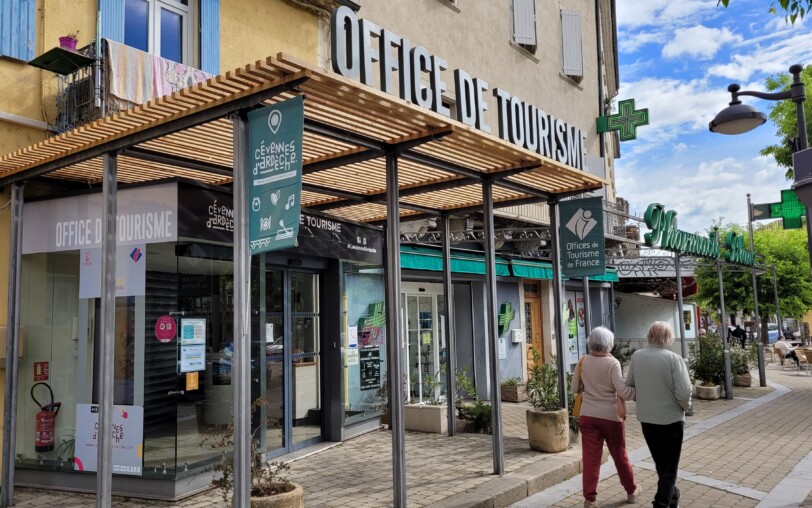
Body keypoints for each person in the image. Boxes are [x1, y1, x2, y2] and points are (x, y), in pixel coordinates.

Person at [571, 327, 639, 508]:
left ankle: (590, 499)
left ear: (591, 342)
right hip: (610, 417)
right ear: (609, 343)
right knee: (619, 454)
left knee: (590, 458)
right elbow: (623, 391)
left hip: (588, 416)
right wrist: (638, 391)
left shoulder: (583, 361)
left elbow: (574, 389)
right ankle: (631, 491)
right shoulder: (613, 363)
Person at [626, 322, 692, 508]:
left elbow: (629, 384)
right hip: (671, 418)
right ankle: (661, 503)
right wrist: (685, 407)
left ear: (649, 335)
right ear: (668, 337)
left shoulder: (637, 357)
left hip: (647, 419)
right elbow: (685, 391)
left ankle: (673, 495)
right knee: (669, 468)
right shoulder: (673, 359)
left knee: (661, 464)